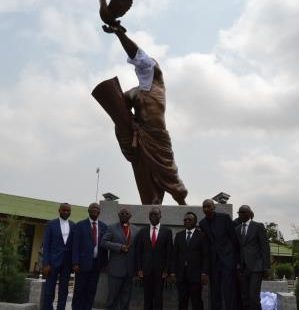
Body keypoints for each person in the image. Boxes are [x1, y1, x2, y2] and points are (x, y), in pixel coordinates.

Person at [92, 24, 188, 206]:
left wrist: (120, 35)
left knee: (169, 173)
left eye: (145, 67)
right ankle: (153, 205)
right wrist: (129, 129)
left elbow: (139, 57)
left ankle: (183, 205)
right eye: (138, 68)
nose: (141, 69)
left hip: (158, 137)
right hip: (142, 138)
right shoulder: (133, 93)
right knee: (144, 174)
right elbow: (121, 114)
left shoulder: (157, 83)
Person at [198, 199, 239, 310]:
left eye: (208, 206)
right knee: (215, 292)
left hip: (228, 260)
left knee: (228, 291)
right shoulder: (202, 223)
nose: (206, 209)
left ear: (213, 207)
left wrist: (236, 260)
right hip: (213, 262)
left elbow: (234, 239)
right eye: (204, 207)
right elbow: (205, 247)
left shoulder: (224, 218)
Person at [72, 202, 108, 310]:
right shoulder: (80, 225)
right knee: (79, 290)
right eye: (92, 208)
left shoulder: (104, 227)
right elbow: (75, 245)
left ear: (99, 212)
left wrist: (104, 263)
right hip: (82, 265)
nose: (95, 210)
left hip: (96, 264)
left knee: (91, 290)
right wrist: (75, 262)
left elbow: (104, 247)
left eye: (97, 209)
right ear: (88, 210)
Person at [101, 208, 139, 310]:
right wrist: (119, 247)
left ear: (130, 216)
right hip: (115, 270)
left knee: (126, 298)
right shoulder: (112, 228)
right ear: (118, 215)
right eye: (122, 213)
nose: (124, 215)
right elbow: (104, 242)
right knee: (112, 298)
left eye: (127, 213)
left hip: (129, 271)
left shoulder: (136, 229)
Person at [136, 206, 173, 310]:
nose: (153, 216)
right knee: (147, 297)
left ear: (160, 216)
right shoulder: (142, 231)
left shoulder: (167, 231)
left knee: (158, 296)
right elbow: (138, 252)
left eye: (156, 214)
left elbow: (169, 252)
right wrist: (139, 269)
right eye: (151, 214)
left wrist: (166, 270)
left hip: (160, 271)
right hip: (145, 270)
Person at [171, 212, 209, 310]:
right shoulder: (179, 235)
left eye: (189, 220)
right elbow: (174, 255)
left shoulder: (202, 235)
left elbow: (205, 256)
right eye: (185, 220)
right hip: (181, 275)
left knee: (196, 301)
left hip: (196, 276)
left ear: (195, 222)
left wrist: (204, 273)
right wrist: (173, 272)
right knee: (182, 301)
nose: (187, 221)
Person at [236, 205, 270, 310]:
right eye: (239, 213)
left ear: (249, 214)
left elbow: (265, 247)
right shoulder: (237, 229)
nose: (241, 215)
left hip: (256, 267)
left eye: (243, 212)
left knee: (253, 296)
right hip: (242, 268)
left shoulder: (258, 226)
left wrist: (266, 267)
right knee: (244, 297)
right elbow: (237, 249)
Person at [42, 202, 75, 310]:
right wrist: (46, 263)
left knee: (64, 289)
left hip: (67, 263)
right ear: (59, 210)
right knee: (49, 288)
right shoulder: (51, 224)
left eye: (68, 210)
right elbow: (46, 246)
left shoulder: (73, 225)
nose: (66, 212)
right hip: (52, 262)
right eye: (64, 210)